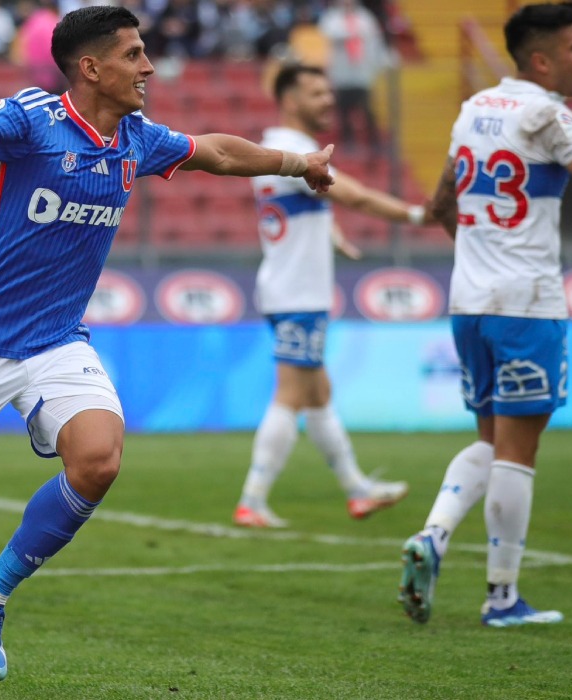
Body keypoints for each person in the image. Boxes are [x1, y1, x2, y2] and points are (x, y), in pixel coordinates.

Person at [0, 6, 334, 698]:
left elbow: (220, 152)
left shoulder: (137, 140)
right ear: (91, 67)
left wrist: (300, 163)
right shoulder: (32, 121)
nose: (148, 67)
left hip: (56, 339)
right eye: (134, 54)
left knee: (99, 460)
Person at [399, 1, 572, 628]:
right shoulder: (547, 115)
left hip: (469, 302)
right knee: (517, 454)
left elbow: (439, 202)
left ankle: (432, 535)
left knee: (489, 441)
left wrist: (478, 253)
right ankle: (502, 599)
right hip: (528, 303)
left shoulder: (474, 108)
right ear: (541, 59)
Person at [233, 63, 427, 529]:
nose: (328, 101)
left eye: (328, 92)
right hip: (299, 293)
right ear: (290, 99)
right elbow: (354, 195)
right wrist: (420, 215)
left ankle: (357, 490)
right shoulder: (297, 151)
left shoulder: (273, 145)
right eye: (316, 93)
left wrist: (332, 235)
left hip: (288, 288)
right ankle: (253, 499)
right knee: (291, 395)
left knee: (319, 395)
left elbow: (303, 206)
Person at [318, 0, 388, 154]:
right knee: (343, 110)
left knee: (367, 108)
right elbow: (326, 35)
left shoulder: (365, 17)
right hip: (341, 72)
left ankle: (374, 141)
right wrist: (350, 33)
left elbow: (375, 42)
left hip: (362, 72)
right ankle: (347, 141)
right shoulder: (331, 18)